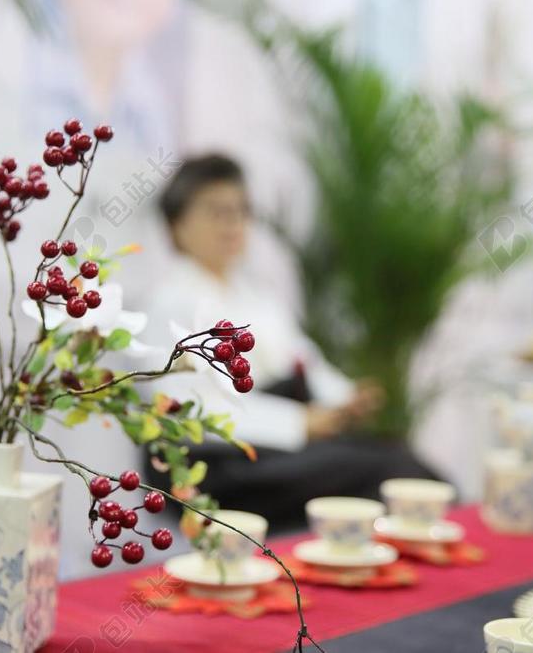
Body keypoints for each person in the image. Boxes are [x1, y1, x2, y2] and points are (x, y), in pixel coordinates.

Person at [143, 154, 437, 530]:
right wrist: (298, 424)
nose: (232, 225)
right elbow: (186, 410)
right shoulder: (168, 303)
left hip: (272, 441)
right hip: (215, 460)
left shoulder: (257, 297)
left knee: (394, 455)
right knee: (386, 470)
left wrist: (346, 400)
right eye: (217, 212)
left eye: (241, 211)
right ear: (177, 224)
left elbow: (304, 363)